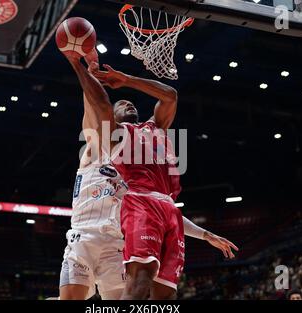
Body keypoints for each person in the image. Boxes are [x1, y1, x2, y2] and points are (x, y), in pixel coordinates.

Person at [60, 48, 238, 300]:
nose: (127, 102)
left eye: (128, 101)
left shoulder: (152, 131)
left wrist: (204, 234)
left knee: (143, 294)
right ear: (112, 115)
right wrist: (85, 69)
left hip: (118, 241)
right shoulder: (99, 140)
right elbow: (96, 104)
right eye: (120, 102)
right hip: (85, 235)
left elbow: (170, 96)